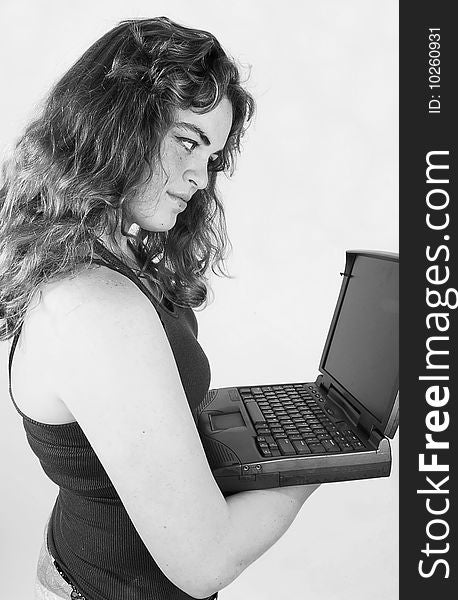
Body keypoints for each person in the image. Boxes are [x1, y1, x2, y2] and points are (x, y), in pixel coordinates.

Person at [0, 17, 319, 600]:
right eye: (188, 141)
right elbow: (205, 563)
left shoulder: (89, 259)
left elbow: (98, 444)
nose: (202, 176)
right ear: (119, 124)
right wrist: (319, 460)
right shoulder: (95, 306)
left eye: (213, 155)